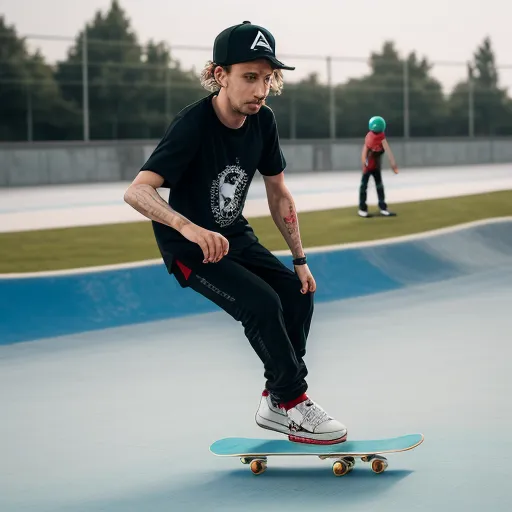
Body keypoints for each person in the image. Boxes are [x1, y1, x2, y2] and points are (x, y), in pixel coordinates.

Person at [123, 21, 347, 445]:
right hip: (189, 247)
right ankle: (295, 403)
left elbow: (279, 193)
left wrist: (299, 260)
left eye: (267, 78)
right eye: (249, 77)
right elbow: (138, 191)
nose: (260, 90)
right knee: (261, 304)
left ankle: (276, 400)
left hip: (234, 235)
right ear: (219, 75)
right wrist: (186, 227)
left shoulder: (263, 122)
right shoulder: (193, 124)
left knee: (297, 293)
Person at [358, 115, 399, 218]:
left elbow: (387, 151)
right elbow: (365, 152)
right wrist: (365, 164)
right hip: (369, 167)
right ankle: (363, 209)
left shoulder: (380, 137)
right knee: (365, 187)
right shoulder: (370, 138)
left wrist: (393, 164)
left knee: (378, 187)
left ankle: (382, 208)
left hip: (375, 166)